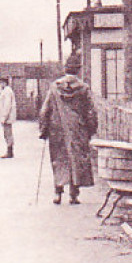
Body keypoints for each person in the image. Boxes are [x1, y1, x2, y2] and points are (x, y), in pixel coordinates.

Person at [37, 54, 99, 205]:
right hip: (78, 129)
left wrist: (44, 129)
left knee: (59, 160)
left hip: (57, 130)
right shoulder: (84, 88)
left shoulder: (54, 87)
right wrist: (91, 129)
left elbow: (45, 110)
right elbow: (91, 111)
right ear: (78, 71)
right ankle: (74, 194)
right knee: (75, 160)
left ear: (65, 69)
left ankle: (58, 193)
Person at [0, 77, 17, 158]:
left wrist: (4, 117)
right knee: (7, 134)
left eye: (0, 83)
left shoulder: (7, 91)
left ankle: (10, 152)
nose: (0, 85)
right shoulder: (7, 91)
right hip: (7, 117)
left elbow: (7, 105)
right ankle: (9, 151)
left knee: (7, 134)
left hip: (7, 117)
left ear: (4, 83)